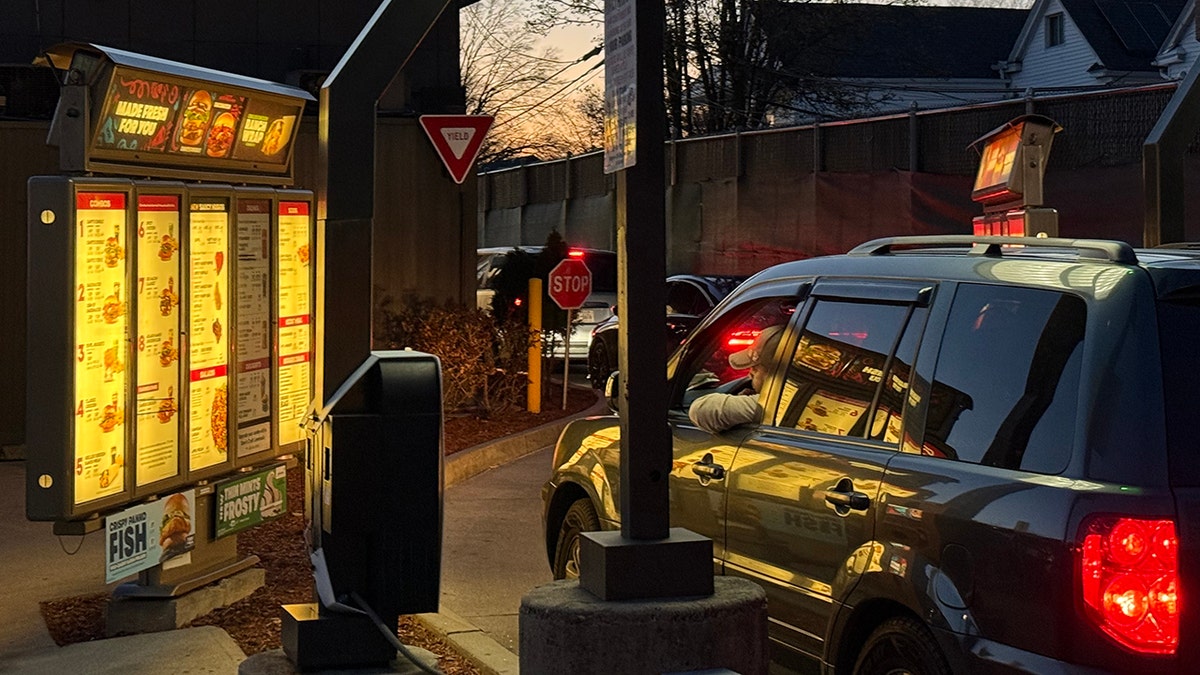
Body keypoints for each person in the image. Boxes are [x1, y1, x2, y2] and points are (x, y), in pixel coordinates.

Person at [688, 324, 784, 433]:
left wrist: (751, 400)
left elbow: (701, 410)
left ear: (773, 374)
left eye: (754, 369)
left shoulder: (774, 405)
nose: (749, 375)